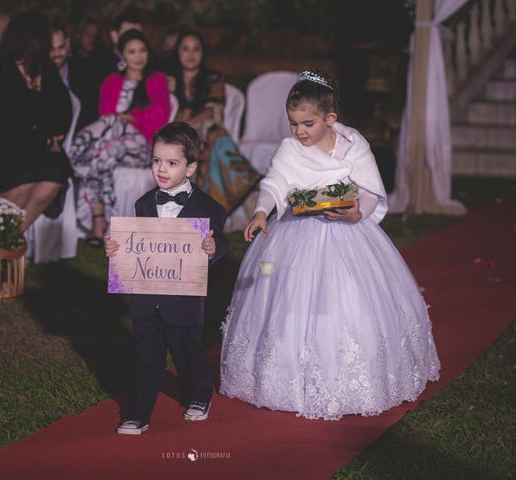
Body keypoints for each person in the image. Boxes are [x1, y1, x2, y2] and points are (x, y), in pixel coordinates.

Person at [219, 70, 440, 420]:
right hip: (297, 232)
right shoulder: (290, 148)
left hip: (346, 232)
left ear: (330, 118)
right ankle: (285, 374)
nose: (299, 132)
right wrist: (262, 211)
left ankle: (350, 374)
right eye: (293, 124)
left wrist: (357, 213)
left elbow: (369, 189)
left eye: (307, 123)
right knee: (289, 299)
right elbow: (275, 182)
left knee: (348, 298)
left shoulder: (354, 144)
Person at [104, 121, 227, 434]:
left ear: (189, 168)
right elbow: (136, 245)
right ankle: (137, 413)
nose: (162, 168)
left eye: (172, 163)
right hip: (147, 298)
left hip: (184, 300)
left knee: (188, 354)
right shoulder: (144, 203)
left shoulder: (208, 207)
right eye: (156, 160)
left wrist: (212, 248)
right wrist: (116, 248)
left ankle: (198, 395)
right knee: (146, 358)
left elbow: (221, 243)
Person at [0, 11, 72, 232]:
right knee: (22, 177)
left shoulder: (45, 70)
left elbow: (64, 109)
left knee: (59, 170)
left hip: (35, 145)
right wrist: (45, 141)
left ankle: (12, 235)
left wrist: (50, 135)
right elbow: (7, 124)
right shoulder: (3, 69)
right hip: (0, 148)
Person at [68, 29, 170, 247]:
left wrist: (130, 117)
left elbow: (161, 118)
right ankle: (99, 219)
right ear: (121, 55)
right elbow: (105, 116)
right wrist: (120, 121)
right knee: (108, 139)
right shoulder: (111, 82)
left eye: (142, 50)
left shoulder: (157, 80)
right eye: (132, 52)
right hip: (113, 147)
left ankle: (97, 220)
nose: (138, 56)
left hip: (144, 147)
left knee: (111, 127)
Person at [170, 31, 260, 214]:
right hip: (177, 137)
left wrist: (187, 121)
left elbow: (212, 112)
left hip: (208, 132)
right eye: (185, 49)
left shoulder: (213, 79)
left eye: (196, 49)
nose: (190, 54)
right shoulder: (170, 81)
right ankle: (246, 185)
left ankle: (244, 185)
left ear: (202, 54)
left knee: (218, 139)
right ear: (177, 53)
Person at [50, 22, 100, 131]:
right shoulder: (39, 79)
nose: (57, 53)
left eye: (61, 47)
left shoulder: (84, 73)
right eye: (51, 49)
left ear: (67, 44)